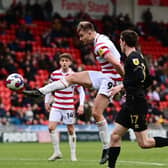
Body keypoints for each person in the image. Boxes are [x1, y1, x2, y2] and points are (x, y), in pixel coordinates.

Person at [23, 21, 124, 164]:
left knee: (96, 113)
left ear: (90, 32)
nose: (80, 39)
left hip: (111, 79)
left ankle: (106, 148)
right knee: (71, 77)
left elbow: (116, 63)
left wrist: (125, 82)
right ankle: (40, 91)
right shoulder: (100, 39)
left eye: (82, 36)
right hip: (104, 76)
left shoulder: (100, 45)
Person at [108, 29, 168, 168]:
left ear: (123, 42)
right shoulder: (138, 56)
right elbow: (148, 80)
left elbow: (139, 78)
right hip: (131, 101)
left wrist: (122, 87)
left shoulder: (133, 58)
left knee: (144, 143)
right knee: (115, 136)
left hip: (136, 104)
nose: (120, 44)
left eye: (120, 41)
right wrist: (131, 90)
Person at [46, 53, 85, 161]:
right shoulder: (54, 74)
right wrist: (47, 101)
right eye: (62, 60)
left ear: (70, 62)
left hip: (68, 106)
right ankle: (57, 152)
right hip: (57, 105)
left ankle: (73, 155)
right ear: (59, 62)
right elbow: (49, 88)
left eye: (66, 61)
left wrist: (81, 105)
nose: (64, 62)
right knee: (51, 127)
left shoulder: (74, 75)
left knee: (71, 129)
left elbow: (81, 91)